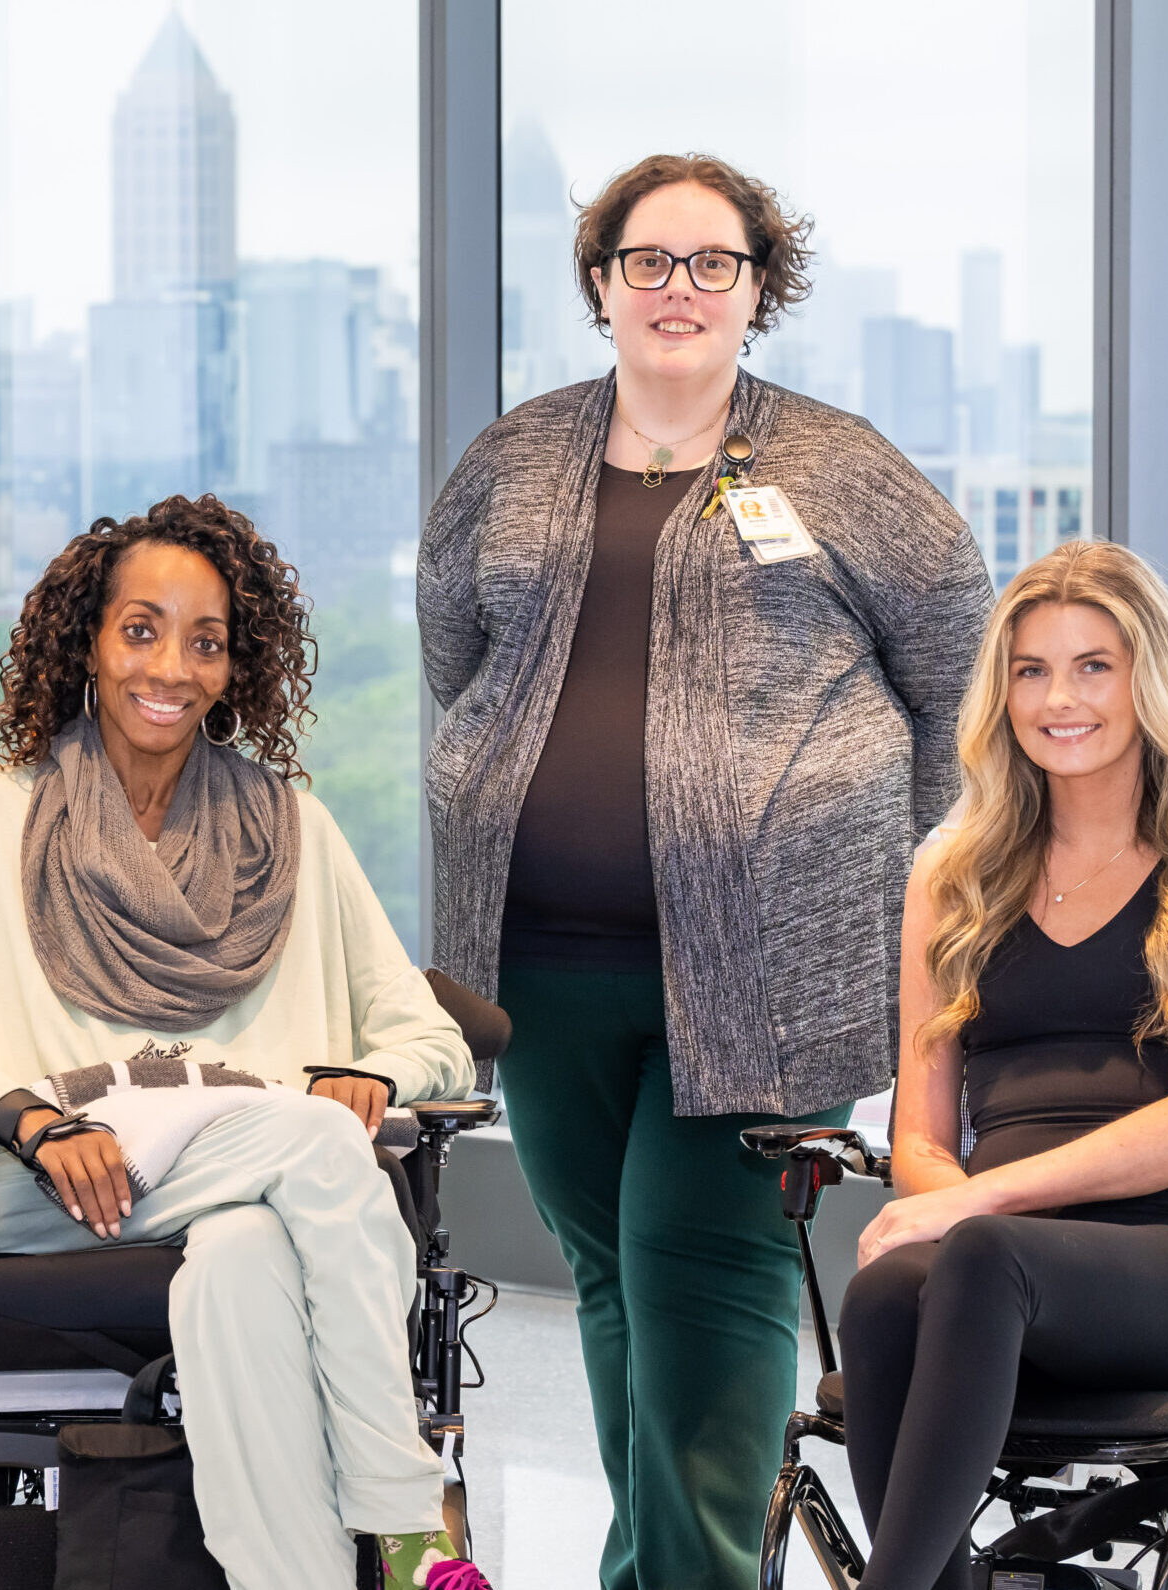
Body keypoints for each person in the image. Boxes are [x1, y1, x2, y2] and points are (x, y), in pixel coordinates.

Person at [417, 152, 997, 1590]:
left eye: (713, 263)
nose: (680, 290)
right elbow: (453, 660)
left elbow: (962, 683)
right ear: (601, 283)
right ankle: (660, 1563)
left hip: (773, 970)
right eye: (650, 262)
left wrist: (837, 849)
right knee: (615, 1271)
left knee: (703, 1269)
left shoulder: (842, 467)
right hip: (540, 964)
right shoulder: (514, 458)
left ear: (759, 288)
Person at [0, 495, 491, 1590]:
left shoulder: (291, 826)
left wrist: (376, 1072)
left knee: (246, 1252)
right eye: (140, 630)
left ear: (236, 667)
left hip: (255, 1184)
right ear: (88, 644)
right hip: (51, 1183)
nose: (171, 667)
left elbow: (423, 1033)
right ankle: (407, 1522)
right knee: (314, 1149)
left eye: (207, 642)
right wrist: (34, 1120)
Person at [836, 539, 1168, 1590]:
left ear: (1151, 680)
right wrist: (959, 1212)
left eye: (1095, 665)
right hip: (992, 1262)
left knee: (974, 1257)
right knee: (880, 1298)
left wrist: (979, 1212)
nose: (1060, 699)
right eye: (1030, 670)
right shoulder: (950, 875)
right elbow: (918, 1133)